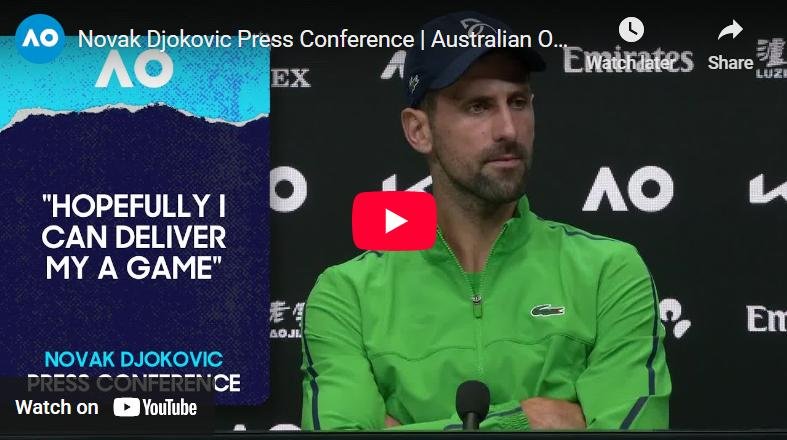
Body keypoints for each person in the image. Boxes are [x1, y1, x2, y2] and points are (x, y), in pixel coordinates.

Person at [300, 10, 670, 431]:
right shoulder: (347, 295)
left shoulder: (610, 272)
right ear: (419, 130)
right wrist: (527, 421)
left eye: (518, 101)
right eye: (477, 106)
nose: (508, 129)